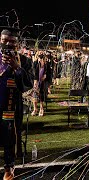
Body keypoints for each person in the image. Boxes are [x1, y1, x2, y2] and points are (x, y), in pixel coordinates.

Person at [0, 27, 33, 180]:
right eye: (5, 40)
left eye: (12, 41)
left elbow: (27, 84)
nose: (8, 44)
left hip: (11, 107)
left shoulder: (24, 60)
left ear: (17, 44)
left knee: (9, 137)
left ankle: (9, 167)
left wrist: (16, 67)